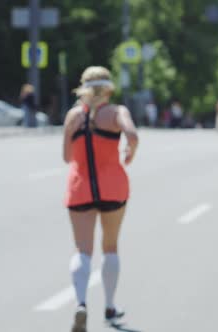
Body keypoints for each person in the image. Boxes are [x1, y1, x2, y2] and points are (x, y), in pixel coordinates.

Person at [63, 66, 138, 332]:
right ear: (109, 88)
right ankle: (109, 306)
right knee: (110, 246)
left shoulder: (73, 116)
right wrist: (129, 152)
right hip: (113, 187)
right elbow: (132, 135)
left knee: (82, 250)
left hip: (80, 187)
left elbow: (67, 157)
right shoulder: (117, 112)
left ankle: (81, 303)